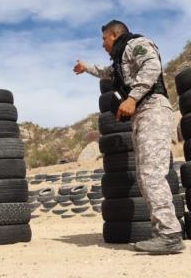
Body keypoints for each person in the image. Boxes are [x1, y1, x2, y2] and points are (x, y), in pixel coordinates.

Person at [73, 20, 185, 254]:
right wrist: (85, 68)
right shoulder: (119, 60)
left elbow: (152, 67)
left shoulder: (137, 44)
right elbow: (105, 72)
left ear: (113, 35)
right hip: (142, 115)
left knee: (152, 173)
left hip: (153, 108)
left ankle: (170, 234)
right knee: (145, 176)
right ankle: (163, 233)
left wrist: (132, 98)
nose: (102, 44)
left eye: (103, 39)